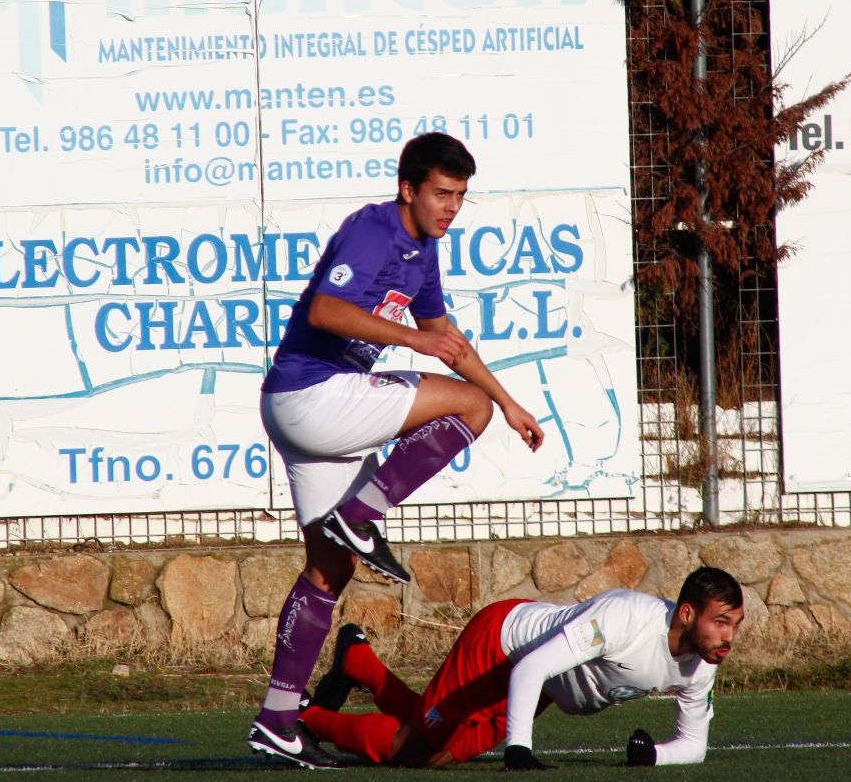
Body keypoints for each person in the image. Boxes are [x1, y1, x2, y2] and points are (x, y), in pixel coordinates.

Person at [247, 132, 547, 768]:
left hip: (303, 409)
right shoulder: (376, 230)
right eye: (441, 193)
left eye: (461, 196)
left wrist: (510, 401)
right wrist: (411, 342)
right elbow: (325, 309)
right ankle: (361, 518)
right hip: (313, 394)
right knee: (467, 408)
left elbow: (448, 338)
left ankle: (278, 718)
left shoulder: (424, 249)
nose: (451, 208)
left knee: (329, 571)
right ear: (408, 188)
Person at [298, 566, 745, 769]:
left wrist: (654, 756)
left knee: (439, 752)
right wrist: (519, 751)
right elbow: (531, 667)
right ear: (687, 614)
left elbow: (694, 746)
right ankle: (305, 721)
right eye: (720, 623)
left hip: (540, 688)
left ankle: (357, 661)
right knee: (408, 749)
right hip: (500, 645)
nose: (729, 637)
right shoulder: (625, 618)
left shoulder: (702, 665)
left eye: (735, 625)